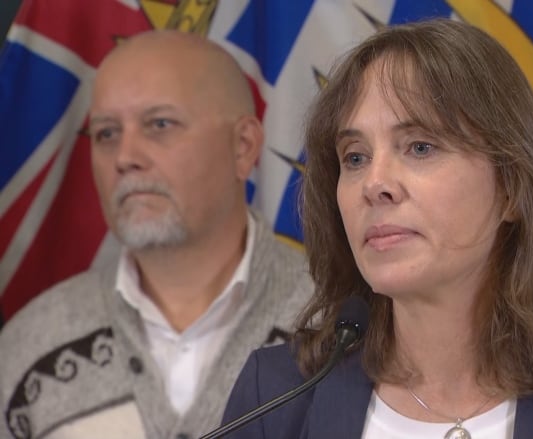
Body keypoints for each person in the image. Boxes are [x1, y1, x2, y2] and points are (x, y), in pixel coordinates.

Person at [221, 18, 533, 439]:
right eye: (355, 157)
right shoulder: (276, 395)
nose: (375, 183)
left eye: (419, 147)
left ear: (513, 189)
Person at [0, 31, 312, 439]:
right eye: (106, 133)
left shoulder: (339, 327)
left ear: (243, 147)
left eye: (160, 124)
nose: (126, 157)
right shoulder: (30, 345)